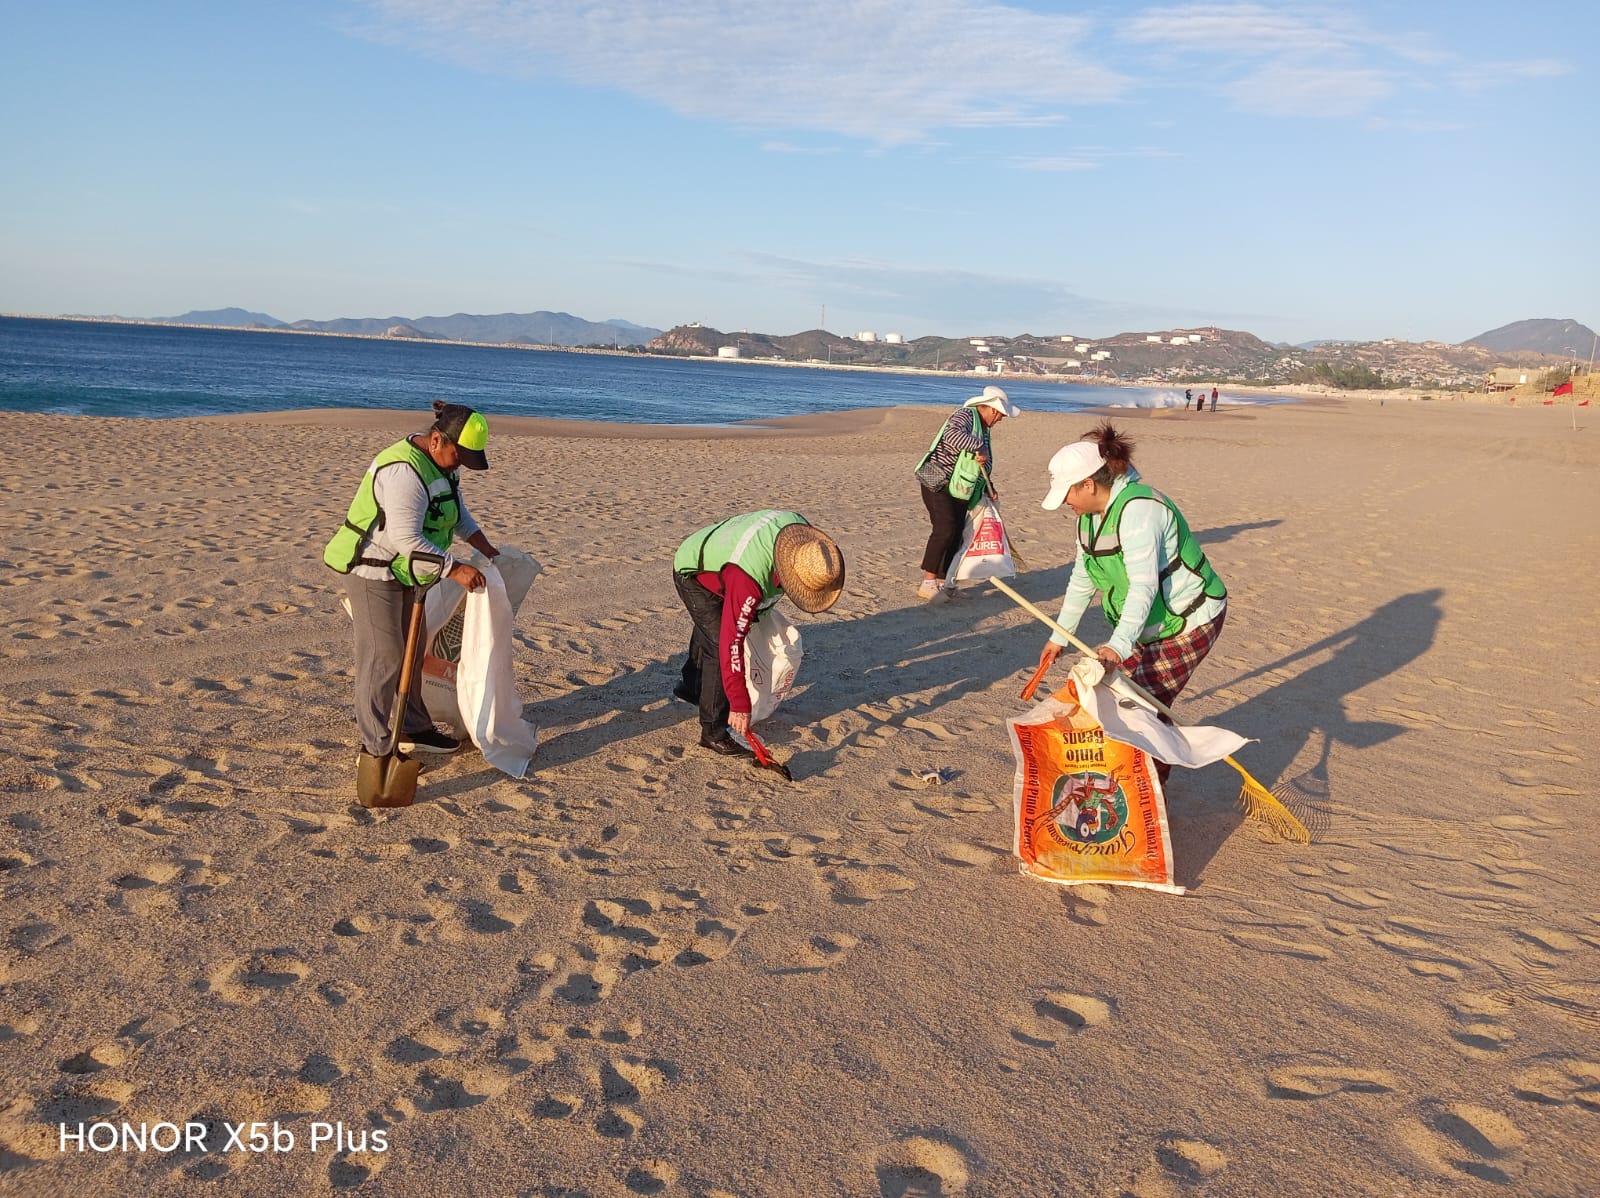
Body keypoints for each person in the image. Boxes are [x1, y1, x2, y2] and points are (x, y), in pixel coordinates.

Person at [1034, 422, 1227, 784]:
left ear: (1088, 484)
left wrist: (1118, 646)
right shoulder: (1088, 519)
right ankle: (1127, 777)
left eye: (1067, 494)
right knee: (1115, 693)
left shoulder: (1140, 511)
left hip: (1188, 620)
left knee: (1144, 709)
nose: (1064, 503)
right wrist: (1059, 635)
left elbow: (1143, 586)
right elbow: (1083, 577)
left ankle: (1151, 796)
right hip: (1146, 622)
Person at [323, 401, 499, 760]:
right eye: (458, 455)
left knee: (414, 649)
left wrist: (489, 550)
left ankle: (414, 726)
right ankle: (375, 748)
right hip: (373, 569)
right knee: (383, 656)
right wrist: (456, 569)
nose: (460, 463)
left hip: (410, 571)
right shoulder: (403, 470)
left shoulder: (445, 468)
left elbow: (458, 515)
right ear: (436, 441)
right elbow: (406, 539)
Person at [672, 511, 845, 759]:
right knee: (718, 642)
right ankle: (713, 732)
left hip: (724, 560)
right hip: (693, 571)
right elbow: (731, 645)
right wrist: (740, 705)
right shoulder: (748, 582)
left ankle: (693, 687)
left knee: (714, 626)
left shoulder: (805, 541)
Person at [913, 385, 1020, 601]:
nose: (1001, 419)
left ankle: (946, 584)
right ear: (990, 409)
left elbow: (982, 466)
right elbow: (952, 435)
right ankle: (928, 582)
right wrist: (978, 446)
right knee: (945, 529)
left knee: (957, 532)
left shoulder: (984, 429)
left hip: (961, 489)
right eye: (1000, 414)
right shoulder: (965, 416)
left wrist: (990, 487)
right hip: (938, 483)